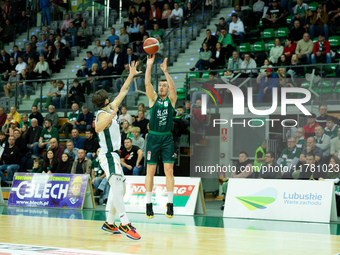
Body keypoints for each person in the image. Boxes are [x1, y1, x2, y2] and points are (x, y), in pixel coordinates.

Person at [92, 60, 141, 239]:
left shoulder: (110, 108)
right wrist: (112, 116)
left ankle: (110, 223)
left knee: (119, 189)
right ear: (105, 100)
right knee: (118, 189)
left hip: (113, 155)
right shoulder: (102, 114)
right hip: (108, 155)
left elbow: (123, 91)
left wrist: (131, 75)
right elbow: (98, 128)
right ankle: (125, 223)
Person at [144, 55, 176, 219]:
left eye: (165, 85)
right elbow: (147, 84)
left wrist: (166, 72)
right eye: (160, 85)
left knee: (168, 170)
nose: (162, 87)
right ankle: (148, 203)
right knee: (150, 170)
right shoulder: (152, 99)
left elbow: (173, 89)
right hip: (153, 138)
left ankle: (170, 203)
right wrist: (149, 65)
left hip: (167, 138)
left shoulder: (171, 100)